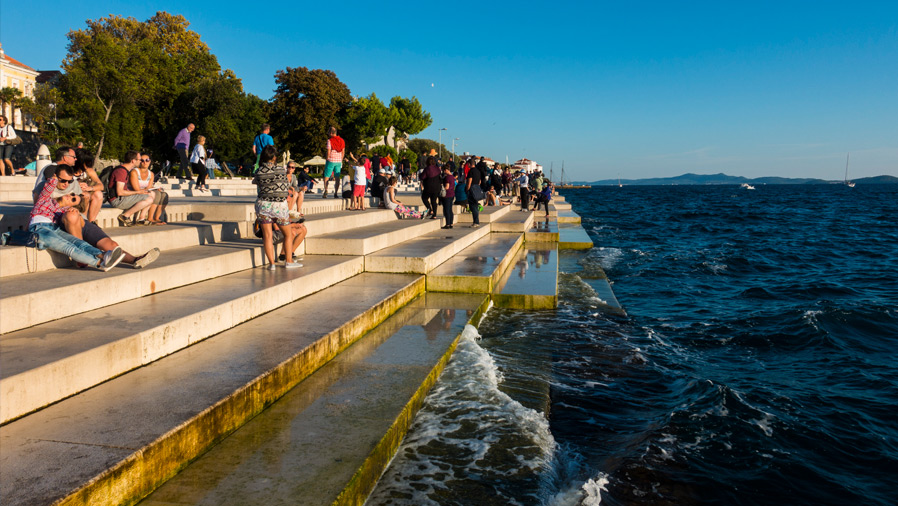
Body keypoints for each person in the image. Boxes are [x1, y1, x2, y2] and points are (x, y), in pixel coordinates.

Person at [29, 165, 124, 271]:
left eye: (73, 199)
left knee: (78, 243)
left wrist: (75, 211)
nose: (71, 196)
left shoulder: (62, 211)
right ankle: (100, 263)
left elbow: (72, 219)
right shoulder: (45, 199)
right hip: (39, 228)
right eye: (73, 194)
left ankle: (104, 255)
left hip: (54, 229)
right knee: (68, 247)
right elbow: (49, 187)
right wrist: (55, 178)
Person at [54, 181, 160, 269]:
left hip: (83, 223)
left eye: (73, 198)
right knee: (71, 216)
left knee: (112, 245)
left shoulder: (73, 211)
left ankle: (135, 260)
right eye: (71, 196)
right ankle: (81, 257)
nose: (70, 196)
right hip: (67, 224)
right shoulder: (52, 204)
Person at [253, 145, 299, 269]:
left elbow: (255, 182)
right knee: (288, 234)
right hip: (279, 206)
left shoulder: (259, 171)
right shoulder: (279, 170)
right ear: (274, 157)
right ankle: (288, 261)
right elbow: (284, 186)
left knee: (267, 235)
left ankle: (271, 264)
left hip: (263, 205)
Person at [107, 150, 154, 227]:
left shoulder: (125, 170)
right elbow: (120, 192)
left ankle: (140, 219)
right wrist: (138, 192)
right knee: (149, 198)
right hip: (117, 200)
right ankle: (125, 216)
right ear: (133, 161)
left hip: (121, 198)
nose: (141, 162)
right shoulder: (121, 171)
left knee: (149, 194)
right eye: (139, 160)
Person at [130, 152, 168, 224]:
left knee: (164, 195)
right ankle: (150, 218)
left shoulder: (151, 174)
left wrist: (155, 188)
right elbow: (136, 188)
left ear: (150, 161)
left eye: (147, 160)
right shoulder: (135, 172)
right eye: (142, 160)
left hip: (145, 191)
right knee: (156, 194)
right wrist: (151, 189)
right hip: (135, 193)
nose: (145, 162)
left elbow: (149, 187)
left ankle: (156, 217)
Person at [71, 150, 105, 224]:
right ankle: (84, 221)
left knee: (98, 194)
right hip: (73, 194)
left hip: (86, 193)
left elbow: (101, 186)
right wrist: (77, 184)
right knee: (85, 195)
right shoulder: (69, 170)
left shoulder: (89, 171)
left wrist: (90, 188)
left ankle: (91, 221)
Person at [322, 126, 344, 198]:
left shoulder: (330, 141)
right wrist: (341, 159)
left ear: (331, 133)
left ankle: (326, 190)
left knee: (326, 176)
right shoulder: (342, 140)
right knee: (337, 178)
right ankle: (336, 193)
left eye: (329, 133)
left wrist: (327, 159)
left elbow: (328, 151)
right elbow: (343, 152)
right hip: (338, 161)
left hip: (331, 160)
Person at [465, 158, 484, 227]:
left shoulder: (471, 171)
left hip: (471, 190)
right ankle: (477, 221)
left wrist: (467, 189)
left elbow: (469, 182)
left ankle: (476, 222)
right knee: (475, 205)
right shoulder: (478, 171)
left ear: (469, 164)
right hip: (477, 189)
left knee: (473, 206)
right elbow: (480, 181)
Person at [441, 165, 456, 229]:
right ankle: (451, 223)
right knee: (450, 210)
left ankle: (447, 224)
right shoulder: (452, 177)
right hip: (452, 194)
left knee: (446, 210)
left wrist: (442, 188)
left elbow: (447, 187)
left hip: (447, 195)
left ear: (446, 170)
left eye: (444, 171)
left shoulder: (447, 178)